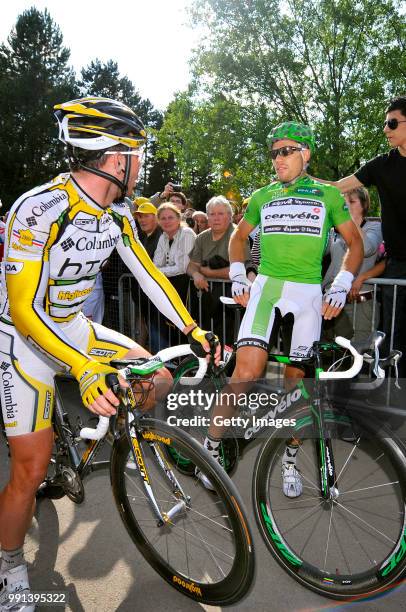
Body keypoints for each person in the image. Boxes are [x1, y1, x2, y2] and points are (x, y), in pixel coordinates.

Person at [0, 96, 219, 607]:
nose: (141, 163)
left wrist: (192, 328)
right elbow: (26, 310)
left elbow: (148, 276)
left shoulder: (116, 215)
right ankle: (10, 562)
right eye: (136, 153)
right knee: (28, 473)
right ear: (116, 158)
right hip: (22, 337)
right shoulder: (39, 208)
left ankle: (114, 433)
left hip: (73, 326)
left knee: (156, 375)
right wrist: (83, 368)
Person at [198, 121, 363, 495]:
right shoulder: (262, 195)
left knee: (297, 389)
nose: (278, 159)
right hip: (267, 289)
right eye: (274, 153)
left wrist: (340, 284)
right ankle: (209, 450)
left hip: (307, 294)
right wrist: (239, 275)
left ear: (306, 153)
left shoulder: (327, 195)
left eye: (286, 151)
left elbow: (355, 244)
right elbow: (239, 238)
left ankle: (288, 461)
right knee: (246, 372)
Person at [316, 96, 406, 375]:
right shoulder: (381, 164)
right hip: (397, 265)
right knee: (394, 335)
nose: (385, 129)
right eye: (384, 123)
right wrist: (301, 179)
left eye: (392, 122)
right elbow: (337, 187)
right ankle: (394, 396)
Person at [187, 196, 254, 343]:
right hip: (206, 300)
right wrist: (196, 274)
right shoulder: (201, 238)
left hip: (233, 300)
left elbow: (242, 269)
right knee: (207, 338)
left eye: (220, 214)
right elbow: (192, 265)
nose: (215, 218)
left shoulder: (238, 236)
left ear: (230, 216)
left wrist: (209, 273)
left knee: (229, 341)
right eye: (212, 214)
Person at [322, 187, 382, 341]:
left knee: (360, 350)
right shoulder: (335, 231)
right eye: (343, 203)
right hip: (331, 298)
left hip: (361, 302)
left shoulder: (374, 227)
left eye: (351, 202)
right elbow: (321, 251)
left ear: (364, 205)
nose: (345, 206)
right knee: (331, 350)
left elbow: (367, 248)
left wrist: (351, 221)